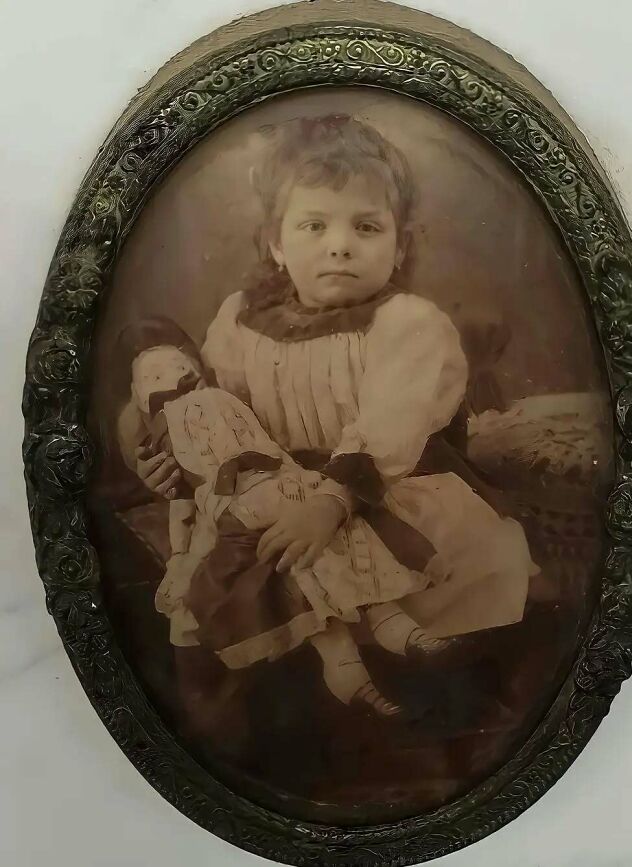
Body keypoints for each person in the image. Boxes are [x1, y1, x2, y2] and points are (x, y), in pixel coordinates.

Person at [124, 114, 539, 718]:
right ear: (276, 242)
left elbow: (392, 425)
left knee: (423, 561)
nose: (339, 245)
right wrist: (169, 463)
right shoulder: (241, 319)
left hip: (378, 488)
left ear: (399, 247)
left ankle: (414, 681)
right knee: (238, 553)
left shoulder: (410, 324)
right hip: (273, 488)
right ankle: (301, 688)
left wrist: (327, 504)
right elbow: (216, 417)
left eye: (366, 227)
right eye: (314, 225)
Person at [121, 320, 453, 716]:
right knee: (276, 552)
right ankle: (348, 670)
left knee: (325, 531)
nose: (174, 379)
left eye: (178, 370)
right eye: (157, 377)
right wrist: (153, 464)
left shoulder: (397, 323)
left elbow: (389, 429)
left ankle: (393, 627)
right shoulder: (228, 341)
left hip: (348, 472)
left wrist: (332, 497)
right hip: (245, 496)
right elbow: (139, 418)